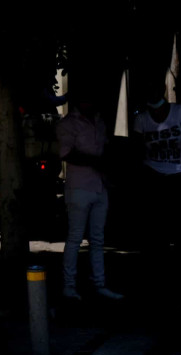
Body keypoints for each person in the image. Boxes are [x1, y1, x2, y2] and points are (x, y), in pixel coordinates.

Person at [56, 87, 123, 301]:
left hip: (100, 186)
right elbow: (67, 153)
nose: (88, 104)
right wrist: (97, 162)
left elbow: (104, 149)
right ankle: (69, 286)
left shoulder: (99, 121)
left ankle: (99, 284)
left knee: (97, 239)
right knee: (75, 238)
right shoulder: (68, 123)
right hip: (79, 187)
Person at [130, 80, 181, 262]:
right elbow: (137, 148)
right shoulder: (142, 118)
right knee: (157, 224)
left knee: (180, 222)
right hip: (153, 175)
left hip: (178, 173)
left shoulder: (179, 112)